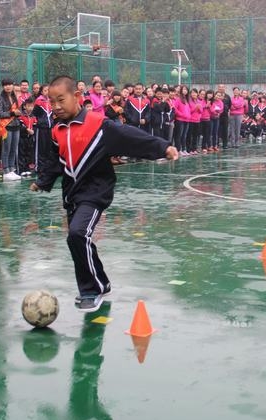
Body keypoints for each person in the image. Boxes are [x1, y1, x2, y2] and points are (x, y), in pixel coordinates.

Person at [29, 75, 178, 313]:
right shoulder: (57, 130)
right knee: (76, 239)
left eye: (61, 100)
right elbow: (55, 160)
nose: (56, 106)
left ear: (77, 96)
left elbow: (131, 137)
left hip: (96, 191)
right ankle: (100, 282)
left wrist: (163, 147)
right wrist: (43, 181)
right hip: (72, 194)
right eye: (51, 101)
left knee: (78, 234)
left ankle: (92, 290)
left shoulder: (99, 125)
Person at [0, 78, 22, 181]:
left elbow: (19, 110)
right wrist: (12, 113)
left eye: (10, 84)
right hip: (6, 126)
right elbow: (0, 113)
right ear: (3, 87)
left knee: (13, 148)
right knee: (6, 149)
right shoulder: (0, 98)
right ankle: (6, 170)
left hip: (16, 125)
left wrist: (19, 113)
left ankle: (12, 169)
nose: (8, 87)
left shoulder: (14, 97)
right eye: (6, 85)